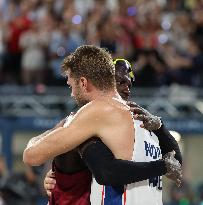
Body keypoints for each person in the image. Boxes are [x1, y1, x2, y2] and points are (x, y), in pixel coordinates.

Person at [23, 45, 182, 205]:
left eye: (71, 85)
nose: (72, 93)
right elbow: (176, 162)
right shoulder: (144, 119)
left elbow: (31, 155)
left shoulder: (96, 111)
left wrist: (60, 129)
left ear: (83, 82)